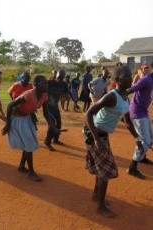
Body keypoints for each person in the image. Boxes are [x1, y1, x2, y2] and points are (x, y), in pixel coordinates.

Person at [85, 66, 143, 218]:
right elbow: (89, 113)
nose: (131, 78)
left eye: (130, 75)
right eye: (127, 76)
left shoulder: (125, 98)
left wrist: (137, 139)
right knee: (107, 169)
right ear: (117, 80)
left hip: (103, 135)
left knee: (102, 167)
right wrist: (96, 139)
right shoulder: (111, 96)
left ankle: (97, 195)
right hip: (95, 134)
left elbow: (128, 122)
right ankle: (101, 206)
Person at [1, 75, 60, 182]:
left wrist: (54, 128)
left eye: (46, 83)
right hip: (17, 119)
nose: (46, 85)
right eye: (43, 83)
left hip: (27, 118)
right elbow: (10, 106)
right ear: (36, 85)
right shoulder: (29, 94)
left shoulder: (44, 95)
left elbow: (46, 113)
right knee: (29, 143)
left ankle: (22, 166)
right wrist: (8, 124)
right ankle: (31, 172)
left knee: (28, 143)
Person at [126, 63, 153, 179]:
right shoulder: (146, 79)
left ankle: (141, 157)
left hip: (144, 111)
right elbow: (130, 89)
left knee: (151, 137)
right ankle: (132, 167)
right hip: (137, 112)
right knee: (145, 141)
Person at [44, 69, 80, 151]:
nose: (60, 78)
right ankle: (47, 141)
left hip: (55, 106)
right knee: (52, 124)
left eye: (62, 77)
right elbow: (39, 87)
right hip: (48, 106)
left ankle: (55, 139)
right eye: (59, 76)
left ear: (64, 77)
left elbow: (69, 93)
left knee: (59, 123)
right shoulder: (50, 82)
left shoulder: (63, 84)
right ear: (56, 76)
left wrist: (75, 102)